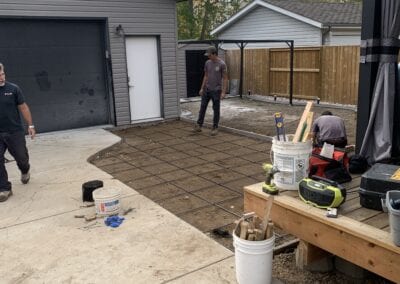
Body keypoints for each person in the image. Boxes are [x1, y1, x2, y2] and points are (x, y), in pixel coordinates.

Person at [0, 63, 35, 202]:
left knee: (22, 157)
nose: (1, 78)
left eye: (2, 74)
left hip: (14, 131)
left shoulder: (13, 89)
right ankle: (4, 188)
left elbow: (23, 107)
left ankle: (25, 170)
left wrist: (30, 125)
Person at [193, 46, 228, 136]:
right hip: (207, 89)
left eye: (209, 55)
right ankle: (199, 125)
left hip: (216, 90)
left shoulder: (222, 64)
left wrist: (223, 92)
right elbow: (206, 76)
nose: (208, 57)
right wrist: (201, 88)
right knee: (202, 107)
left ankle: (215, 127)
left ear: (214, 54)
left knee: (216, 109)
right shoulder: (207, 63)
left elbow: (225, 78)